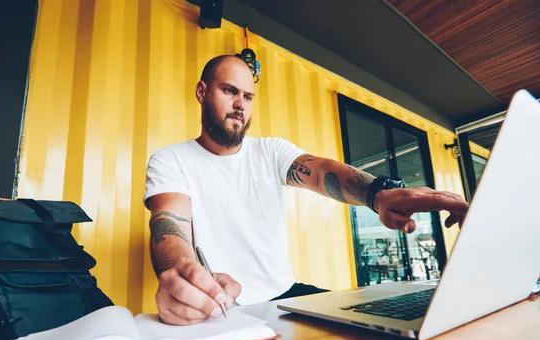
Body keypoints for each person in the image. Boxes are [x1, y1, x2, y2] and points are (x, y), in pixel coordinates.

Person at [144, 55, 469, 325]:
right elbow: (169, 224)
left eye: (247, 96)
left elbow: (321, 172)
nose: (240, 104)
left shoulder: (269, 151)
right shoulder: (171, 159)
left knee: (381, 332)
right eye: (229, 91)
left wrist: (378, 194)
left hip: (287, 295)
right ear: (202, 92)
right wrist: (182, 271)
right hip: (223, 305)